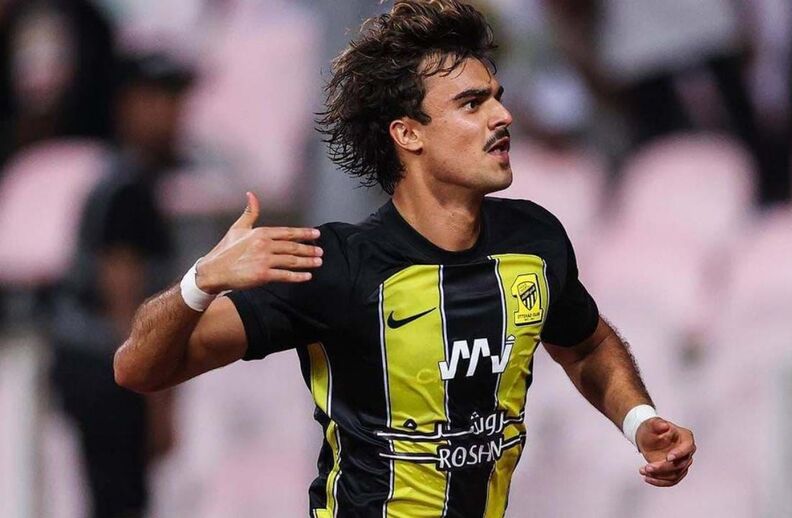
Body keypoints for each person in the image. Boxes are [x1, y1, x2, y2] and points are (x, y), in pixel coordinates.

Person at [113, 1, 696, 516]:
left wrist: (638, 420)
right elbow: (138, 369)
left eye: (497, 97)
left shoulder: (533, 240)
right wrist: (199, 282)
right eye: (472, 104)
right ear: (408, 135)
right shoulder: (334, 266)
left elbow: (586, 345)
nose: (502, 117)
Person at [51, 52, 193, 518]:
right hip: (107, 373)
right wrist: (154, 399)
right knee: (120, 503)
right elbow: (123, 301)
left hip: (100, 369)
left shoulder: (130, 182)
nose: (173, 115)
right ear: (127, 105)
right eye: (159, 100)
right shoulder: (127, 189)